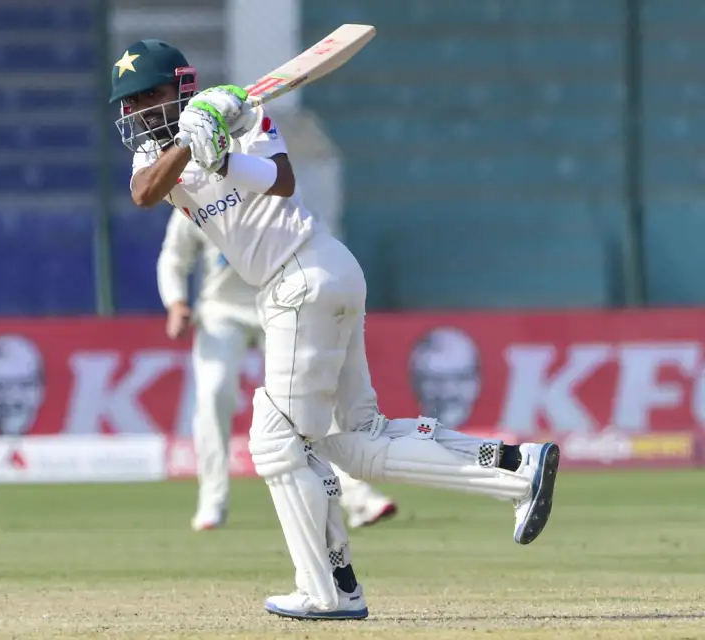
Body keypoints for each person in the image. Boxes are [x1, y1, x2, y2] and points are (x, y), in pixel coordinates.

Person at [112, 39, 561, 621]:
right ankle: (515, 468)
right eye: (133, 102)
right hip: (302, 282)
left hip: (305, 272)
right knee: (357, 440)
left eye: (152, 94)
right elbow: (146, 192)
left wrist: (223, 151)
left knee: (277, 442)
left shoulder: (242, 115)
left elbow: (281, 180)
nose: (143, 109)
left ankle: (326, 591)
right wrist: (189, 140)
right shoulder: (154, 152)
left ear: (182, 86)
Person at [157, 208, 397, 531]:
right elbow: (173, 258)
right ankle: (212, 501)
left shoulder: (268, 190)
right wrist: (176, 302)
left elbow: (315, 242)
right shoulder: (196, 195)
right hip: (222, 311)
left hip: (280, 305)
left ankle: (358, 498)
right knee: (214, 392)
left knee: (310, 399)